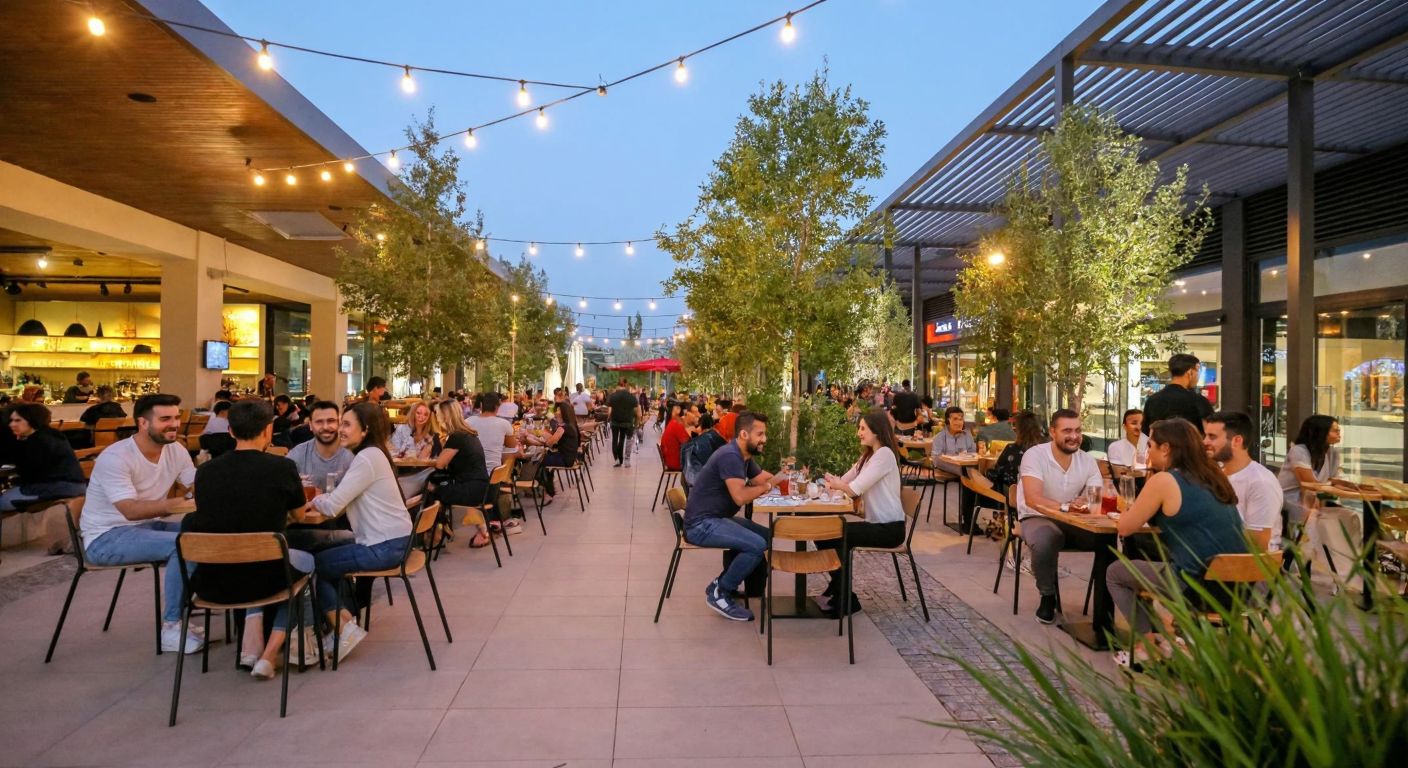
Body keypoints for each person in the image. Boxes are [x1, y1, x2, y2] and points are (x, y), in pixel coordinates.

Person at [183, 400, 321, 679]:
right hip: (267, 579)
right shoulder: (282, 467)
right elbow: (298, 515)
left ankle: (253, 636)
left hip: (211, 582)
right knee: (307, 564)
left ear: (230, 431)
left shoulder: (205, 472)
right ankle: (279, 649)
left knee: (263, 560)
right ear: (269, 430)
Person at [1107, 418, 1247, 663]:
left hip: (1196, 586)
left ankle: (1147, 647)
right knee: (1157, 560)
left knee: (1116, 572)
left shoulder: (1165, 480)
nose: (1147, 452)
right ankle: (1172, 639)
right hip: (1240, 588)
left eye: (1150, 445)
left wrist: (1137, 496)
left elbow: (1125, 527)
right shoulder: (1215, 475)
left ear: (1166, 448)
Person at [80, 394, 203, 653]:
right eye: (165, 419)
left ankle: (194, 607)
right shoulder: (117, 457)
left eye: (177, 417)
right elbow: (130, 510)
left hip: (148, 527)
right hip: (106, 537)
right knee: (186, 545)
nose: (174, 424)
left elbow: (197, 486)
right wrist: (176, 503)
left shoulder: (176, 449)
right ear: (143, 423)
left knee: (209, 535)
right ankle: (171, 627)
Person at [307, 403, 413, 661]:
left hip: (384, 547)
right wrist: (325, 498)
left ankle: (343, 628)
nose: (340, 430)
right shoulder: (374, 454)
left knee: (313, 564)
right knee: (324, 554)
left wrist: (314, 499)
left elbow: (333, 506)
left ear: (364, 430)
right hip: (396, 541)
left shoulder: (366, 458)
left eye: (346, 424)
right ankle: (345, 624)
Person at [683, 411, 783, 621]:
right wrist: (767, 486)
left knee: (765, 536)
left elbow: (761, 479)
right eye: (760, 434)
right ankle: (721, 592)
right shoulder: (730, 456)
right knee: (756, 545)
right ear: (744, 434)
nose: (764, 439)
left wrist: (786, 477)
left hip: (717, 519)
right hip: (700, 524)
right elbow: (740, 497)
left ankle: (742, 588)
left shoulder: (743, 455)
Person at [1016, 409, 1107, 626]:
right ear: (1052, 432)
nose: (1074, 436)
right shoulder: (1035, 455)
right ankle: (1048, 595)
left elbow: (1095, 497)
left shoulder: (1087, 461)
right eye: (1067, 431)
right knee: (1046, 539)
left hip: (1074, 521)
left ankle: (1106, 607)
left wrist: (1085, 502)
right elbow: (1033, 499)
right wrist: (1067, 506)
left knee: (1109, 541)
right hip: (1036, 516)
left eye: (1078, 431)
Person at [819, 410, 906, 617]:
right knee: (824, 533)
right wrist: (833, 482)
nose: (859, 432)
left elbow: (853, 489)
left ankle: (845, 598)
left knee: (830, 535)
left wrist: (838, 485)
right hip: (876, 524)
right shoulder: (869, 456)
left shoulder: (884, 455)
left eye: (863, 428)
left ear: (876, 431)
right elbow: (846, 480)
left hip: (889, 528)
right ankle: (839, 589)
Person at [1277, 414, 1357, 577]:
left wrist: (1346, 486)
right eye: (1334, 430)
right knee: (1320, 521)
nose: (1339, 433)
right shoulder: (1299, 451)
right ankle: (1310, 558)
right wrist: (1332, 486)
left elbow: (1332, 480)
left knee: (1350, 516)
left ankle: (1343, 564)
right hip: (1290, 501)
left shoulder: (1333, 453)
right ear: (1321, 432)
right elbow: (1308, 482)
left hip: (1315, 499)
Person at [1203, 411, 1283, 550]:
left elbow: (1258, 544)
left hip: (1242, 560)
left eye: (1212, 437)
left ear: (1237, 441)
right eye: (1205, 436)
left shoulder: (1261, 482)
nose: (1205, 442)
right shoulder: (1215, 474)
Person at [427, 400, 492, 549]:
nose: (437, 417)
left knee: (431, 489)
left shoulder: (457, 436)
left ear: (446, 416)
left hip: (471, 490)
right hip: (482, 487)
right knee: (437, 485)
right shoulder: (468, 433)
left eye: (438, 414)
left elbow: (440, 464)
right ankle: (445, 529)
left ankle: (436, 533)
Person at [1, 403, 87, 511]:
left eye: (17, 420)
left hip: (55, 488)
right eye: (11, 421)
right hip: (76, 487)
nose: (11, 424)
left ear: (31, 421)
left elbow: (29, 473)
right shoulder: (52, 434)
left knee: (3, 501)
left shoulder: (36, 441)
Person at [288, 401, 354, 492]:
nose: (325, 427)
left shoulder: (352, 455)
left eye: (331, 421)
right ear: (310, 425)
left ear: (339, 423)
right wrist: (295, 486)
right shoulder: (297, 454)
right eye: (319, 422)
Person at [1141, 353, 1212, 435]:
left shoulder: (1152, 400)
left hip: (1159, 443)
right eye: (1198, 370)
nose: (1198, 375)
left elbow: (1145, 434)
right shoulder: (1198, 401)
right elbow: (1210, 432)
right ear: (1190, 372)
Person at [985, 410, 1043, 498]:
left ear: (1018, 430)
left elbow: (998, 472)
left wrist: (987, 471)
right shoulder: (1044, 450)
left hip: (1012, 496)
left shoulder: (1012, 449)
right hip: (1039, 495)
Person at [538, 401, 582, 502]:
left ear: (563, 412)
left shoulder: (563, 428)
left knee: (539, 461)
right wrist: (545, 436)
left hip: (565, 459)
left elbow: (551, 443)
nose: (556, 411)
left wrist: (542, 435)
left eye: (558, 410)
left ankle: (548, 492)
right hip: (570, 457)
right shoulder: (570, 425)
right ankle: (550, 489)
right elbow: (554, 440)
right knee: (545, 458)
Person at [466, 392, 519, 475]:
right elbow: (512, 446)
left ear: (481, 406)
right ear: (497, 407)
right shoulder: (504, 424)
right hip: (494, 474)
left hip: (471, 474)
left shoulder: (467, 422)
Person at [931, 407, 975, 478]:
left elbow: (973, 454)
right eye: (955, 419)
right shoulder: (939, 437)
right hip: (950, 471)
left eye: (960, 419)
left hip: (967, 470)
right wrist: (958, 468)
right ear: (948, 421)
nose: (959, 423)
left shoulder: (967, 436)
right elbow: (936, 460)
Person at [608, 379, 640, 467]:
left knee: (615, 439)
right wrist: (636, 423)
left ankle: (617, 459)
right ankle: (622, 459)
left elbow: (609, 411)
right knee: (622, 439)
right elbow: (637, 412)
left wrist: (609, 418)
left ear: (618, 385)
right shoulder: (631, 397)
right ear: (625, 385)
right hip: (626, 422)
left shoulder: (613, 396)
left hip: (615, 421)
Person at [660, 401, 694, 471]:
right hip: (675, 462)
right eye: (693, 413)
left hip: (669, 459)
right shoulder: (676, 423)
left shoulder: (673, 421)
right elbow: (687, 443)